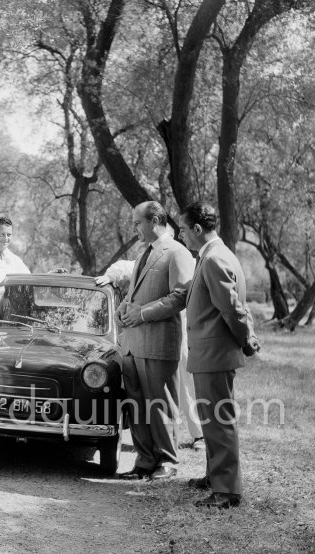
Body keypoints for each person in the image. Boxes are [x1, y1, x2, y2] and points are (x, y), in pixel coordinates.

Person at [179, 201, 259, 509]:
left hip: (215, 353)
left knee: (219, 421)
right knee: (211, 420)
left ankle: (227, 491)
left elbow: (233, 309)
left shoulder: (214, 258)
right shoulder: (215, 254)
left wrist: (248, 340)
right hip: (208, 353)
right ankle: (214, 475)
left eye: (184, 230)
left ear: (197, 229)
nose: (182, 235)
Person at [116, 201, 195, 481]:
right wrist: (124, 306)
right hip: (132, 345)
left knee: (160, 405)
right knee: (136, 405)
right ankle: (145, 460)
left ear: (155, 220)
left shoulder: (177, 253)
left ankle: (168, 461)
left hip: (158, 344)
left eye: (137, 222)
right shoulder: (143, 254)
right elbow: (134, 293)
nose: (134, 227)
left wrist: (143, 313)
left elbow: (181, 296)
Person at [95, 250, 204, 450]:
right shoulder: (142, 265)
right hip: (149, 336)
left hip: (178, 334)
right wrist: (109, 277)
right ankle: (157, 439)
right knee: (154, 389)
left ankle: (199, 435)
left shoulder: (176, 262)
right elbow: (123, 267)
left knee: (186, 385)